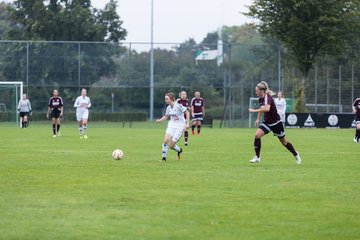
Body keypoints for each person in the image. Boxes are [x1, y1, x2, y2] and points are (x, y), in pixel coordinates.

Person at [248, 81, 301, 164]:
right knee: (257, 135)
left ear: (261, 90)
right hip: (267, 123)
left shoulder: (267, 97)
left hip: (276, 123)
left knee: (284, 142)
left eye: (257, 91)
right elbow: (262, 108)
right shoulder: (261, 98)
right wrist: (258, 119)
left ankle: (296, 154)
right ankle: (257, 157)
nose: (256, 92)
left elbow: (266, 109)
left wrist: (254, 110)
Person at [156, 92, 190, 161]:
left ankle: (179, 150)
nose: (166, 100)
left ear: (172, 99)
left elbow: (187, 112)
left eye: (167, 99)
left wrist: (187, 123)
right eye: (165, 99)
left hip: (180, 126)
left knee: (171, 146)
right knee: (165, 141)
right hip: (171, 125)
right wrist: (160, 120)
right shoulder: (168, 108)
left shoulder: (178, 106)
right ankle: (164, 158)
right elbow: (166, 116)